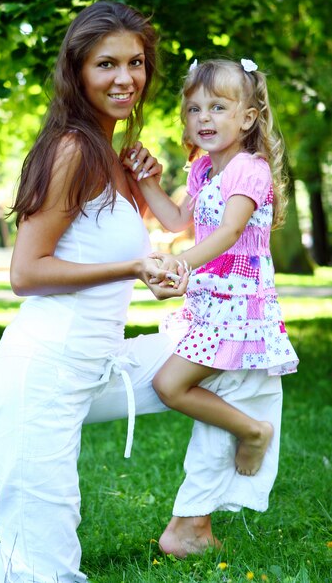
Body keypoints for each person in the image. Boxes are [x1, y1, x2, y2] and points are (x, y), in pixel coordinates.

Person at [0, 0, 194, 583]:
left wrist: (149, 186)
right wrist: (134, 269)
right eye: (107, 64)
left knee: (236, 358)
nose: (126, 78)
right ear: (77, 71)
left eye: (137, 63)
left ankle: (194, 523)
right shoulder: (72, 149)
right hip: (41, 376)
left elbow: (167, 232)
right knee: (43, 576)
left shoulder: (114, 156)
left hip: (102, 365)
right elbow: (27, 273)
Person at [123, 58, 299, 556]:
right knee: (178, 383)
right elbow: (180, 219)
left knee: (170, 383)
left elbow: (228, 232)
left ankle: (251, 429)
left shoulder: (250, 167)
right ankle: (198, 511)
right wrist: (145, 181)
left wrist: (179, 268)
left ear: (247, 117)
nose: (204, 117)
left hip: (239, 306)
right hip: (209, 304)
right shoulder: (204, 167)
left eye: (218, 107)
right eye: (194, 108)